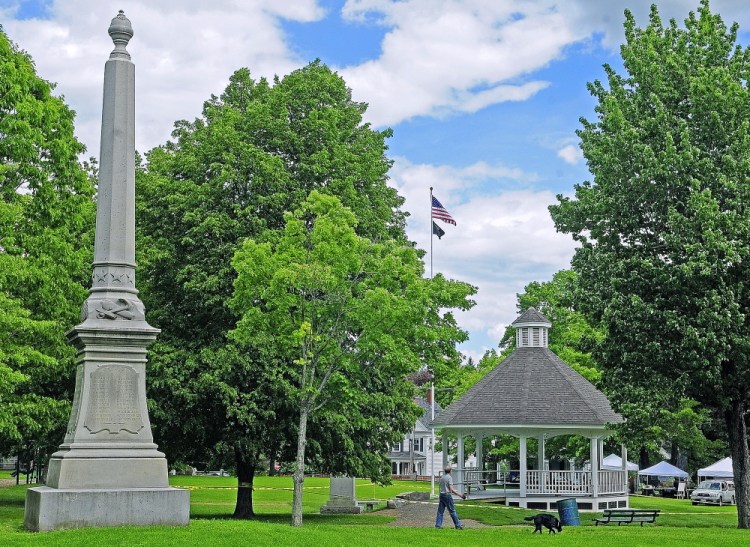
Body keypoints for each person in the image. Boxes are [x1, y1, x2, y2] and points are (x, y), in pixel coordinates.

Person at [436, 465, 465, 529]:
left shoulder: (442, 477)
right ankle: (458, 525)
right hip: (447, 495)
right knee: (452, 511)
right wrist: (460, 495)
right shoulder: (449, 478)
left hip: (442, 495)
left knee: (440, 511)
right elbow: (451, 489)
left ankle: (438, 525)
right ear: (450, 471)